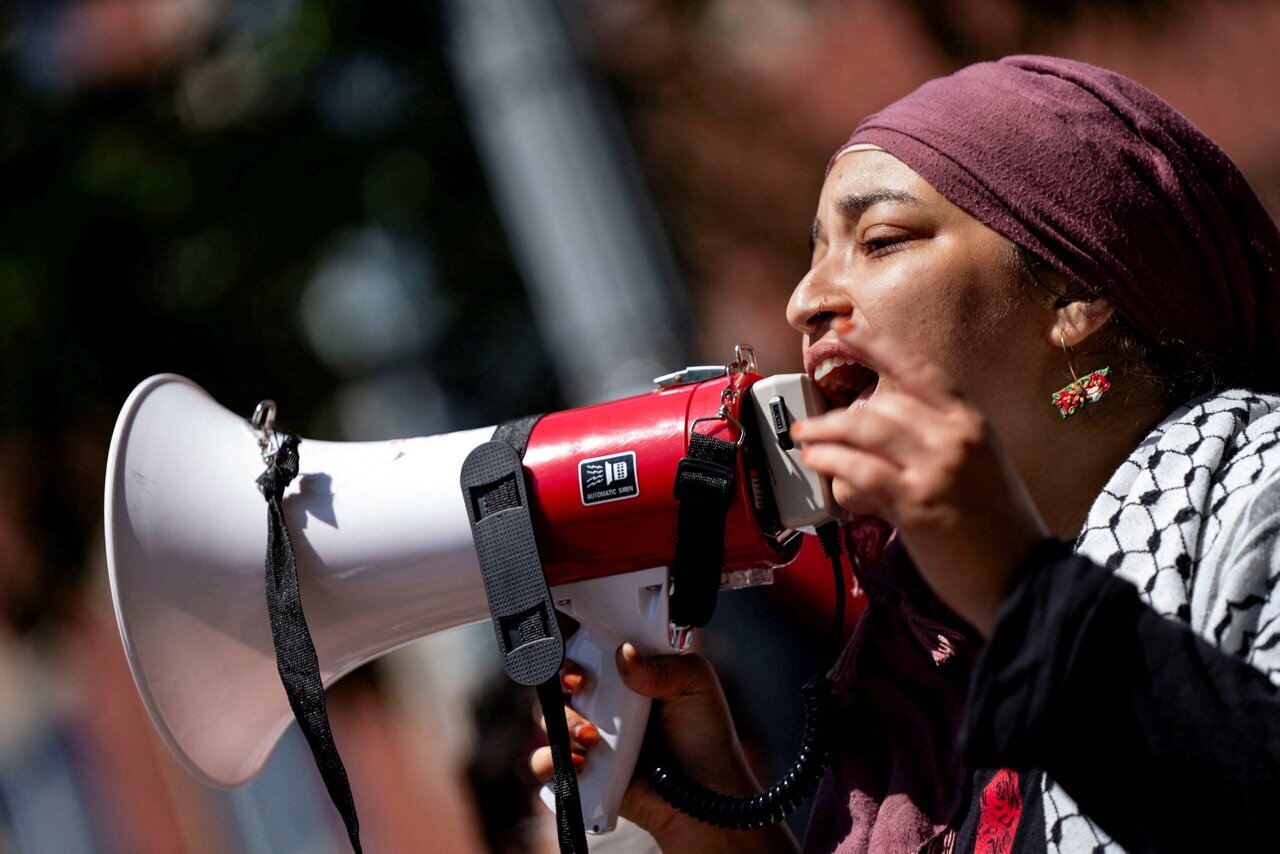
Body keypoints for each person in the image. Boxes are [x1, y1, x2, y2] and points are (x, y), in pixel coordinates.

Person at [532, 55, 1280, 852]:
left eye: (880, 240)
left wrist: (1021, 592)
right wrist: (716, 822)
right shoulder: (915, 683)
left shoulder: (1262, 492)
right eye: (816, 251)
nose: (804, 300)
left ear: (1072, 292)